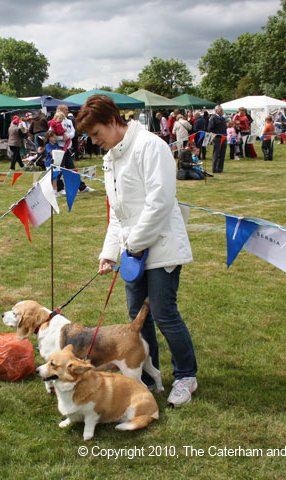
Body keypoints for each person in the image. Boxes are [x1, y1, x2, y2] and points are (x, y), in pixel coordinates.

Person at [76, 95, 198, 407]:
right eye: (90, 136)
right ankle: (147, 373)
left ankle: (186, 376)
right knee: (137, 319)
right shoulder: (110, 158)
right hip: (134, 251)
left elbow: (160, 202)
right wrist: (110, 252)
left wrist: (134, 245)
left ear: (113, 121)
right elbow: (118, 212)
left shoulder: (150, 145)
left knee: (163, 312)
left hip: (161, 245)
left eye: (96, 133)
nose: (94, 141)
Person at [207, 105, 227, 173]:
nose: (222, 111)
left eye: (222, 110)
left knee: (222, 153)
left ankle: (220, 168)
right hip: (217, 137)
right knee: (216, 153)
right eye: (220, 110)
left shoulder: (223, 118)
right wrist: (213, 137)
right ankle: (214, 168)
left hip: (223, 137)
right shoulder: (213, 118)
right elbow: (210, 129)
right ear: (216, 111)